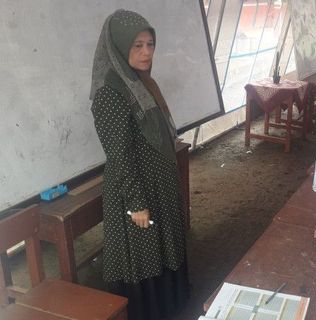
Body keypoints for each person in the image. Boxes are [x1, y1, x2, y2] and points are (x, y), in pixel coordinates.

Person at [90, 10, 189, 319]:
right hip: (137, 195)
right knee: (144, 257)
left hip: (157, 187)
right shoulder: (110, 93)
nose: (146, 52)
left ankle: (172, 306)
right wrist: (136, 205)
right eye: (137, 46)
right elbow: (120, 155)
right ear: (119, 47)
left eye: (150, 44)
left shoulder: (141, 82)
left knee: (162, 249)